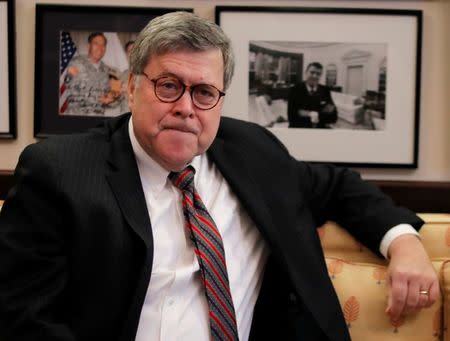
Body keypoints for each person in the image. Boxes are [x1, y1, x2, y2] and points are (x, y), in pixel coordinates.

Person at [0, 12, 438, 341]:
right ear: (132, 87)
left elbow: (338, 186)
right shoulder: (60, 171)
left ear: (220, 100)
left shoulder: (253, 152)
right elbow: (23, 319)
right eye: (168, 85)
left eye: (204, 92)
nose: (186, 108)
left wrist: (403, 241)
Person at [64, 32, 121, 116]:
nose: (100, 48)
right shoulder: (76, 63)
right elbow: (70, 94)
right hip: (77, 116)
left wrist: (113, 98)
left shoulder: (108, 71)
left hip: (98, 118)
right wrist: (99, 99)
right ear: (88, 46)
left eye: (103, 45)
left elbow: (114, 100)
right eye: (96, 44)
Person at [287, 62, 338, 128]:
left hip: (320, 130)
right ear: (306, 72)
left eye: (318, 74)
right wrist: (321, 114)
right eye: (312, 72)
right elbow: (292, 117)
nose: (315, 76)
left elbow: (333, 117)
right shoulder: (295, 90)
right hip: (300, 130)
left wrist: (311, 114)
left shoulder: (325, 90)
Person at [119, 40, 135, 113]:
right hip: (124, 113)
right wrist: (116, 94)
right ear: (126, 54)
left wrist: (129, 89)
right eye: (129, 51)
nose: (132, 54)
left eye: (135, 50)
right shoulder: (122, 75)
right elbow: (116, 100)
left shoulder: (148, 73)